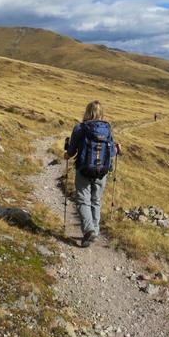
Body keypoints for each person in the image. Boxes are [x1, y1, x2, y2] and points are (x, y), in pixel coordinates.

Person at [64, 101, 121, 247]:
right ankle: (94, 230)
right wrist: (117, 149)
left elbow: (72, 151)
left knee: (83, 200)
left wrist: (67, 155)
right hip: (102, 172)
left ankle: (89, 231)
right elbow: (111, 151)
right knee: (96, 201)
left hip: (83, 170)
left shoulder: (80, 128)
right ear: (102, 113)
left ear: (87, 112)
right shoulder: (107, 129)